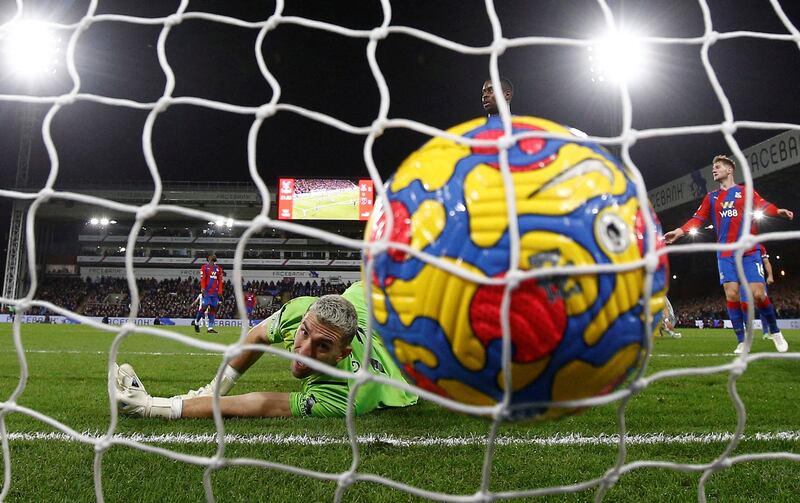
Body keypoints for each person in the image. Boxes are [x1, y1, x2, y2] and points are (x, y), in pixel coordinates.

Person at [115, 281, 418, 419]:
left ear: (342, 353)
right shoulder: (301, 312)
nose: (303, 351)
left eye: (322, 346)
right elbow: (257, 336)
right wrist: (211, 389)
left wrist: (154, 407)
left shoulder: (344, 397)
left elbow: (259, 404)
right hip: (362, 304)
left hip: (392, 367)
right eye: (305, 334)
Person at [664, 155, 793, 354]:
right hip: (725, 253)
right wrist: (679, 232)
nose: (714, 170)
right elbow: (697, 219)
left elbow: (763, 205)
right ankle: (742, 341)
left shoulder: (744, 191)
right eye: (713, 167)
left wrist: (778, 212)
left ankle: (776, 332)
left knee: (759, 294)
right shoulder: (711, 197)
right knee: (731, 293)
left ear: (729, 170)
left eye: (717, 167)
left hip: (749, 251)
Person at [193, 253, 223, 334]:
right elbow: (203, 279)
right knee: (205, 306)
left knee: (213, 308)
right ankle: (196, 322)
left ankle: (210, 328)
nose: (215, 256)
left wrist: (220, 291)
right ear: (208, 258)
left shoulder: (218, 269)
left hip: (215, 292)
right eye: (212, 255)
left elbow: (220, 281)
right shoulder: (204, 267)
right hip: (207, 292)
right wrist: (202, 288)